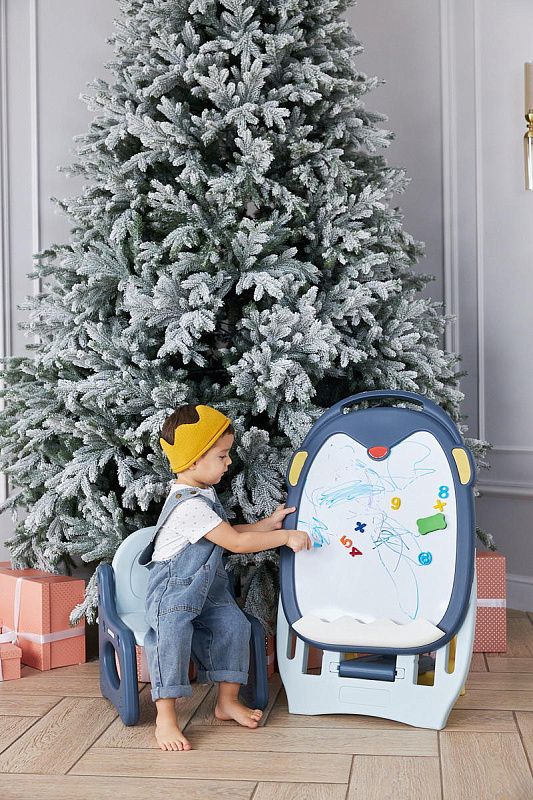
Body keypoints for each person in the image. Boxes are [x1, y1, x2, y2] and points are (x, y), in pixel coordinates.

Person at [140, 403, 311, 751]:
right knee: (171, 639)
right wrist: (283, 537)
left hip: (205, 590)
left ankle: (227, 701)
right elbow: (235, 543)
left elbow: (226, 533)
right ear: (193, 460)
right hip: (173, 593)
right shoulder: (188, 504)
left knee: (234, 626)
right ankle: (166, 717)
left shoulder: (203, 493)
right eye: (222, 455)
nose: (229, 462)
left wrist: (265, 525)